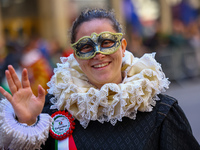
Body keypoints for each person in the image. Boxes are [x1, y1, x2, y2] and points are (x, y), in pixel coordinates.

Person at [0, 8, 200, 150]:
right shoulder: (53, 112)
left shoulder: (161, 112)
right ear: (76, 56)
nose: (98, 53)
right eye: (86, 47)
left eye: (106, 42)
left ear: (122, 47)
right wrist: (27, 123)